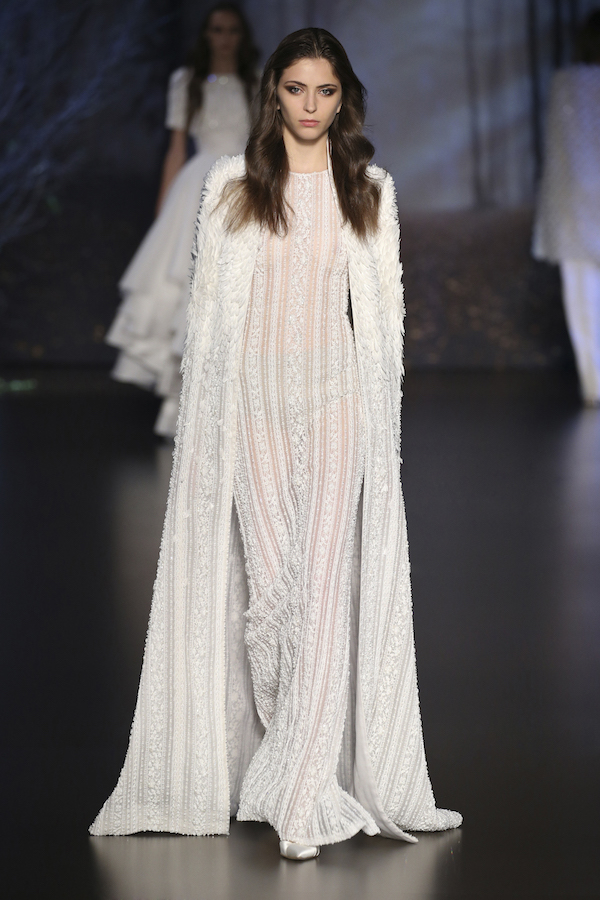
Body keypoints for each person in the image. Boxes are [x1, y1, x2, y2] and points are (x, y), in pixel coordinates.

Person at [90, 28, 462, 860]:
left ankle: (300, 791)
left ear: (344, 98)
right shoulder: (231, 186)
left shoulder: (368, 188)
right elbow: (209, 323)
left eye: (325, 92)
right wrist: (204, 425)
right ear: (274, 95)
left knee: (326, 589)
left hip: (336, 407)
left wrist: (380, 428)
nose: (309, 107)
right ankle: (280, 761)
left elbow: (386, 321)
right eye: (295, 90)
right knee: (271, 601)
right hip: (253, 408)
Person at [106, 3, 259, 436]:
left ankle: (234, 412)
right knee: (187, 287)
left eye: (231, 29)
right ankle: (183, 409)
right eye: (217, 29)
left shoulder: (256, 83)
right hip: (197, 190)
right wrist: (163, 212)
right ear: (206, 34)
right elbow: (176, 148)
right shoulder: (186, 82)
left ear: (241, 36)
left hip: (243, 186)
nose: (224, 37)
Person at [533, 9, 600, 407]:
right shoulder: (569, 87)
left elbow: (563, 153)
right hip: (575, 205)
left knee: (584, 304)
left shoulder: (565, 85)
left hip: (573, 208)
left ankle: (595, 386)